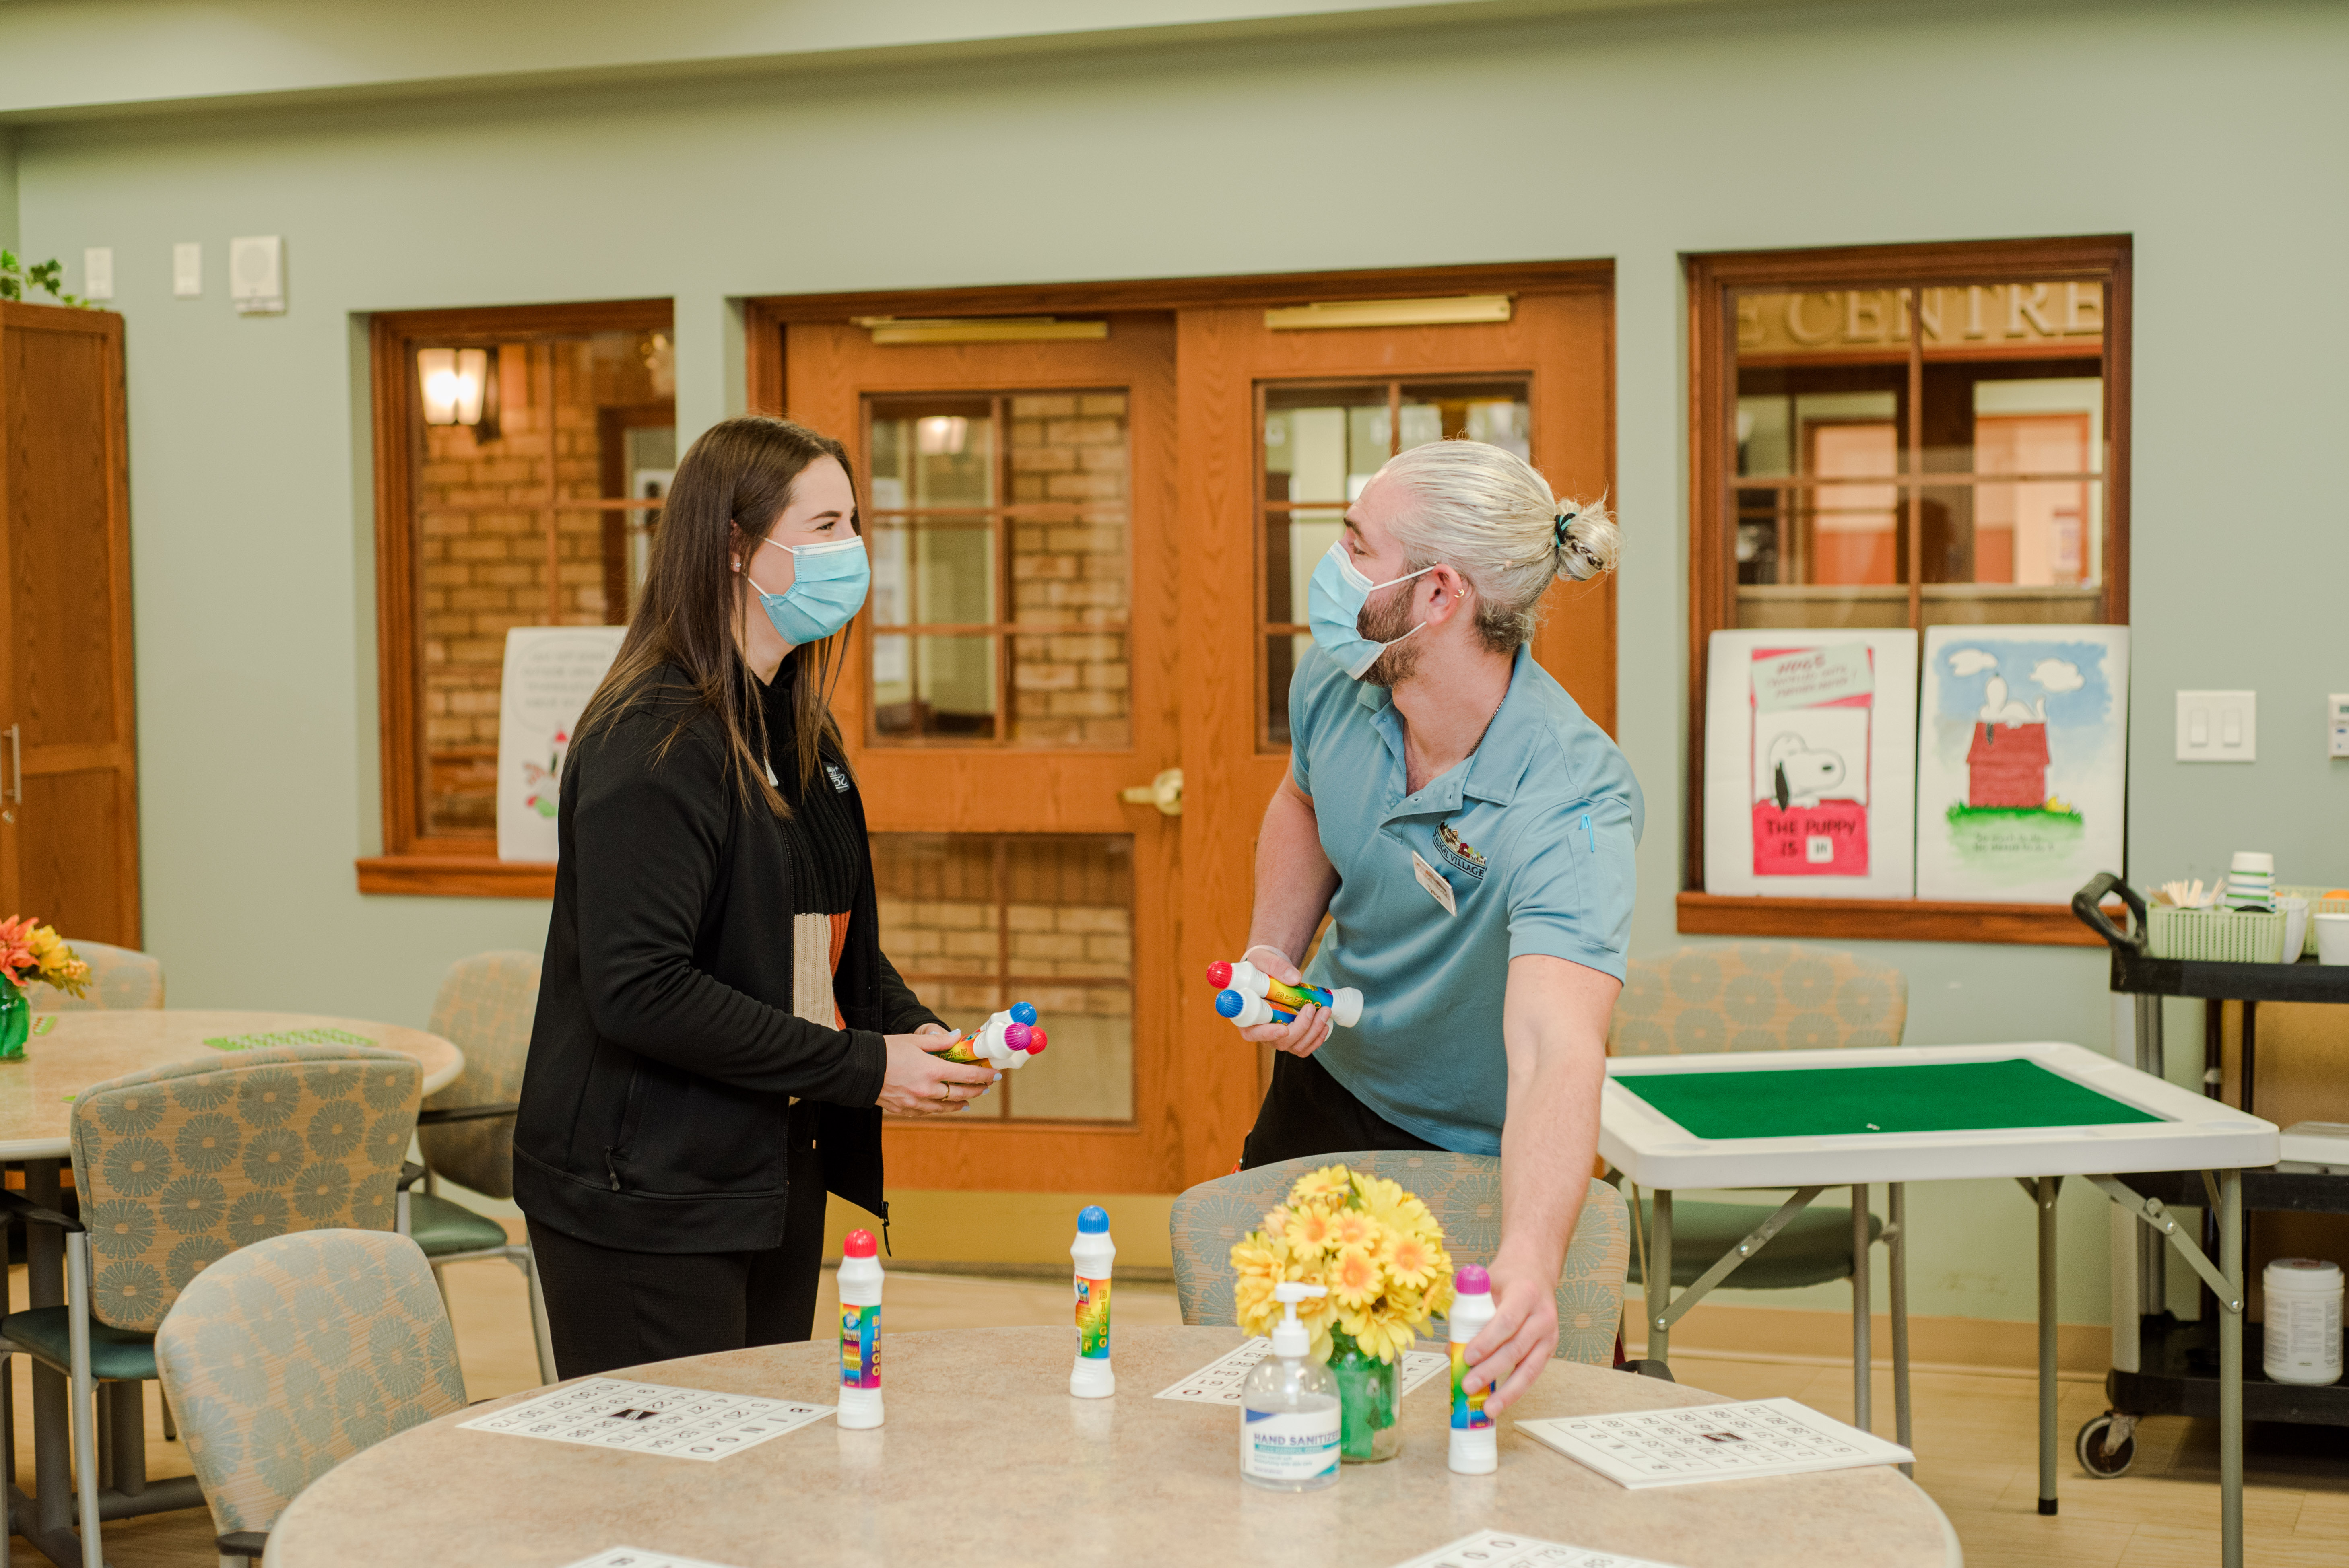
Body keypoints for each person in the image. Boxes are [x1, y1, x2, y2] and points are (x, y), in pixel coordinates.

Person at [513, 415, 996, 1378]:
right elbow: (641, 987)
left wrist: (912, 1032)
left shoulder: (797, 729)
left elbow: (818, 935)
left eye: (853, 522)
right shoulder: (650, 740)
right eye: (824, 527)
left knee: (757, 1457)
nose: (851, 550)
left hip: (768, 1166)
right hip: (646, 1191)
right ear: (736, 547)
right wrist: (866, 1065)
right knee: (670, 1485)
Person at [1234, 437, 1637, 1415]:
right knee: (1293, 1396)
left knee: (1473, 1429)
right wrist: (1272, 951)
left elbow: (1554, 1046)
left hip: (1489, 1149)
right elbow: (1300, 797)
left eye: (1357, 544)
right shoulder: (1342, 682)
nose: (1332, 568)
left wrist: (1532, 1258)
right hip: (1327, 1091)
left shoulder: (1572, 793)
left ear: (1439, 593)